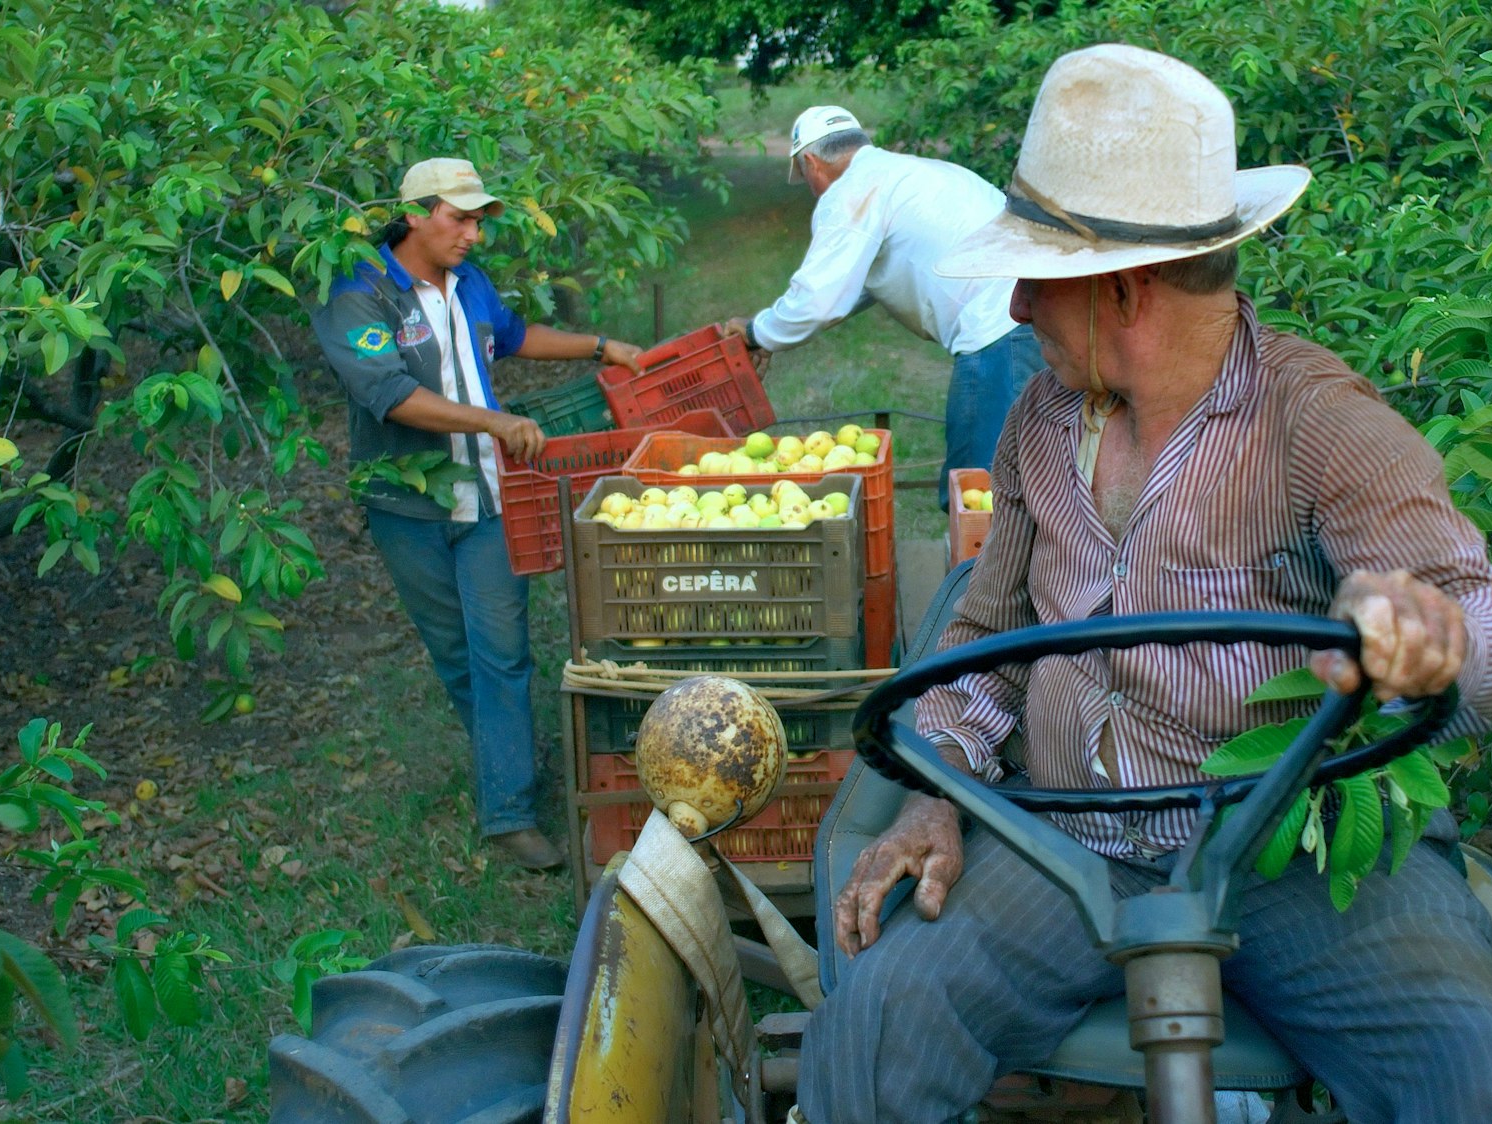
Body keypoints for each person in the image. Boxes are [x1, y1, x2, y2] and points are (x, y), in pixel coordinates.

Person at [797, 46, 1492, 1123]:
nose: (1019, 304)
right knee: (879, 1016)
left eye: (1036, 276)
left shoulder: (1322, 421)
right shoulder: (1039, 420)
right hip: (1060, 837)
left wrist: (1430, 636)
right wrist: (941, 788)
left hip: (1286, 847)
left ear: (1120, 289)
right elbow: (989, 628)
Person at [313, 158, 645, 870]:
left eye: (477, 219)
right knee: (457, 654)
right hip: (411, 502)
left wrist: (599, 346)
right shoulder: (360, 289)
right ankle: (507, 757)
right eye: (458, 219)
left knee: (502, 648)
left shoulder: (469, 283)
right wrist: (489, 423)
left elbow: (514, 335)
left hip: (493, 499)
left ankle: (509, 813)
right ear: (414, 214)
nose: (472, 233)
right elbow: (389, 394)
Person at [720, 106, 1044, 499]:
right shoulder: (908, 174)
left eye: (805, 178)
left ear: (811, 162)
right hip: (1036, 317)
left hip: (998, 331)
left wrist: (756, 332)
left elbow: (820, 301)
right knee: (1031, 475)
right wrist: (765, 336)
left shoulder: (852, 192)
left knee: (979, 488)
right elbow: (852, 289)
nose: (811, 189)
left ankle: (983, 562)